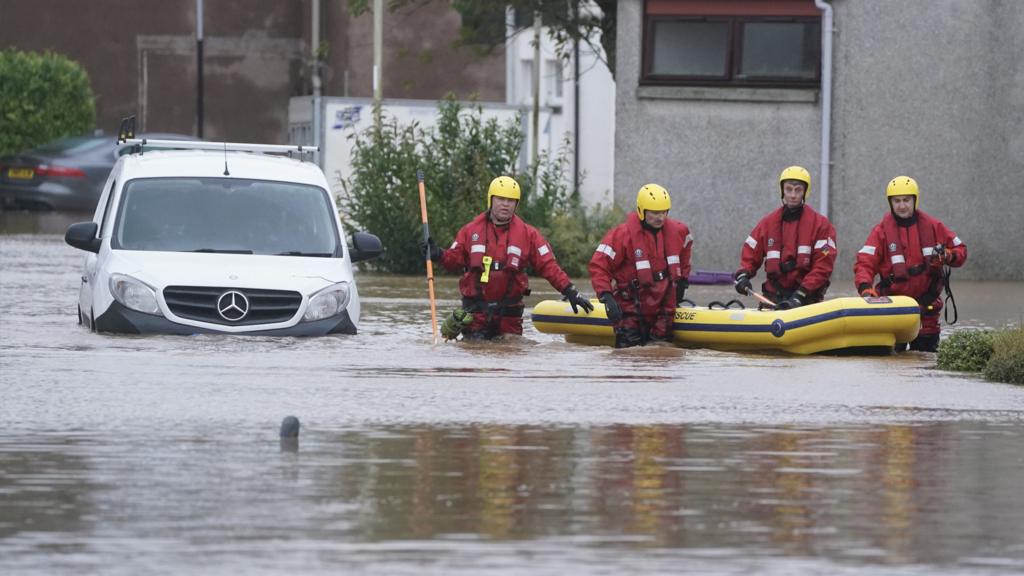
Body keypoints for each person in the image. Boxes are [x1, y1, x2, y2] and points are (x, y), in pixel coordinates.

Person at [424, 175, 593, 340]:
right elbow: (453, 260)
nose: (505, 205)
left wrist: (570, 292)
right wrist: (437, 254)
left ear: (516, 204)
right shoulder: (469, 231)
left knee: (510, 357)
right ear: (491, 200)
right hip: (476, 316)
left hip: (509, 317)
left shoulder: (529, 235)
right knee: (473, 358)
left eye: (510, 201)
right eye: (501, 199)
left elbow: (549, 267)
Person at [854, 176, 966, 352]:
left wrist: (949, 255)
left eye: (906, 200)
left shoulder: (934, 226)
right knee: (891, 370)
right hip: (893, 311)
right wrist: (865, 288)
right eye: (897, 201)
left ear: (915, 200)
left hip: (926, 310)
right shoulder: (880, 232)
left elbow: (961, 250)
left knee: (925, 368)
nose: (902, 205)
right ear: (890, 203)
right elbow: (864, 263)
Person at [589, 184, 693, 348]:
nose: (661, 217)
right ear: (641, 211)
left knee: (662, 359)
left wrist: (682, 281)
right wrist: (606, 297)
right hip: (631, 310)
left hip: (664, 312)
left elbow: (685, 254)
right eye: (655, 213)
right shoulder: (621, 235)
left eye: (664, 212)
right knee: (629, 363)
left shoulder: (679, 232)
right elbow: (599, 265)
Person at [733, 166, 837, 309]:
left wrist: (801, 294)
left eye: (798, 190)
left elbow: (823, 265)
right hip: (773, 298)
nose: (793, 195)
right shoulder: (768, 223)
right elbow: (751, 250)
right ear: (782, 191)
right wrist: (743, 275)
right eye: (788, 189)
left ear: (805, 192)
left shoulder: (821, 226)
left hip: (806, 300)